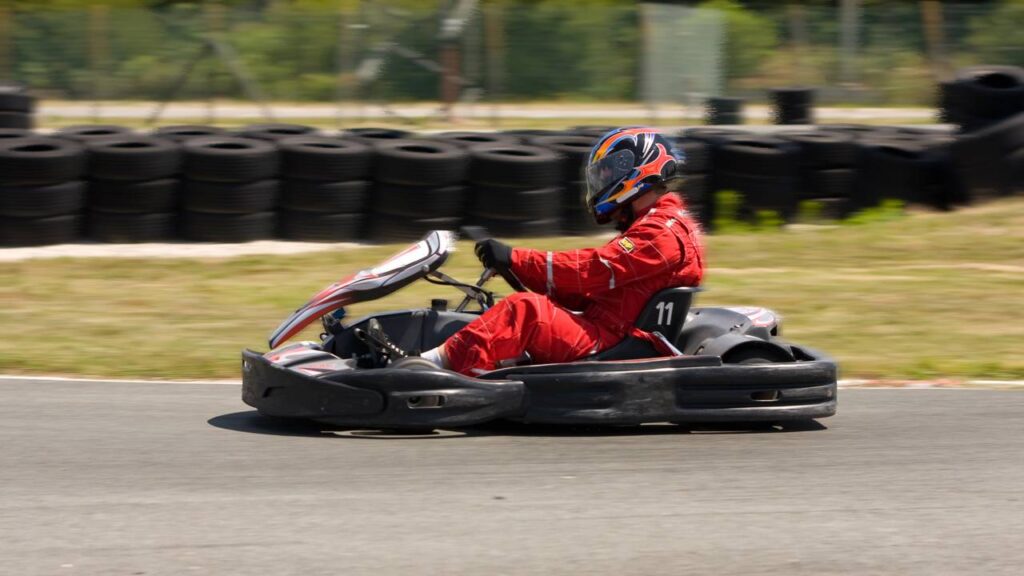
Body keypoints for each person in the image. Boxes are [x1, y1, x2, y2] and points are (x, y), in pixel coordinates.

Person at [415, 127, 706, 375]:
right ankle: (446, 364)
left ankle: (426, 370)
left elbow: (596, 269)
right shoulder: (655, 225)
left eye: (610, 172)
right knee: (524, 304)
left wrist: (516, 258)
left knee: (526, 310)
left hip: (614, 342)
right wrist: (524, 272)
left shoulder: (663, 232)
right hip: (609, 330)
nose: (603, 181)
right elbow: (589, 290)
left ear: (640, 168)